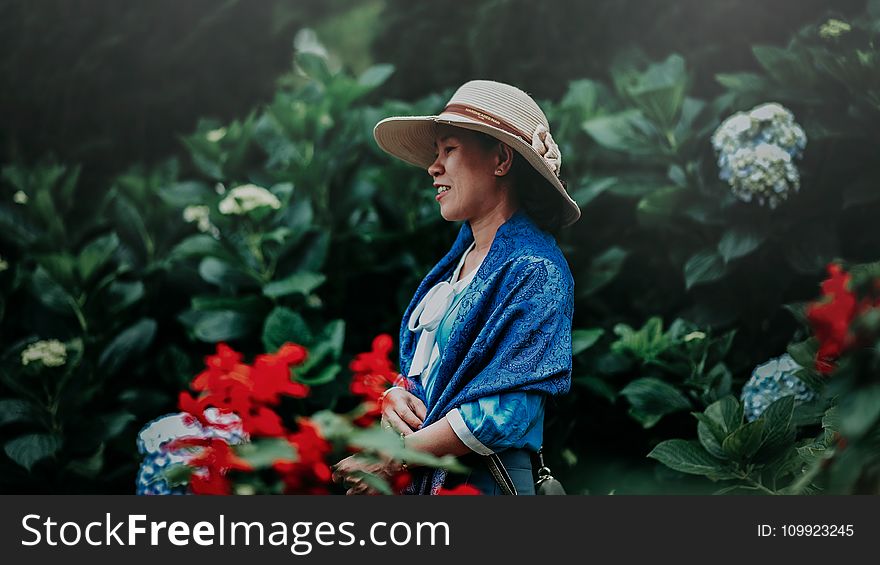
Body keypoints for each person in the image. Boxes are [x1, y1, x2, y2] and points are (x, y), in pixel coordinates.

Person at [333, 80, 580, 495]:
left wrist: (397, 455)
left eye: (449, 149)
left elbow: (508, 410)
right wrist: (397, 397)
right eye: (436, 154)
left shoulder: (537, 271)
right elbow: (435, 378)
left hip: (488, 485)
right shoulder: (458, 265)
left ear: (501, 159)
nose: (434, 167)